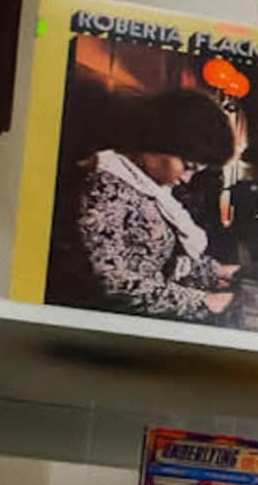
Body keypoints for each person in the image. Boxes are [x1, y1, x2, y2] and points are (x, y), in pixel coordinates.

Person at [47, 81, 240, 325]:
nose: (186, 178)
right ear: (159, 141)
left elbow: (158, 256)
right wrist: (204, 301)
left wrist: (215, 272)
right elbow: (110, 281)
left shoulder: (146, 186)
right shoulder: (103, 187)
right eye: (188, 166)